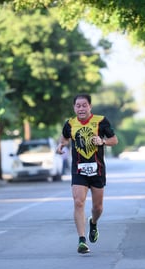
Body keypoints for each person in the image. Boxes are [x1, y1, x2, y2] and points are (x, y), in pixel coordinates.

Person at [56, 94, 118, 254]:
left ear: (90, 106)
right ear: (74, 108)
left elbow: (114, 140)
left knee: (97, 208)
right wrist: (61, 145)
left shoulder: (101, 121)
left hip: (97, 170)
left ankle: (94, 223)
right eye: (78, 106)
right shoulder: (69, 124)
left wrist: (102, 141)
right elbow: (64, 138)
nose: (81, 108)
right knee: (78, 202)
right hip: (79, 169)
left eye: (84, 105)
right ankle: (82, 240)